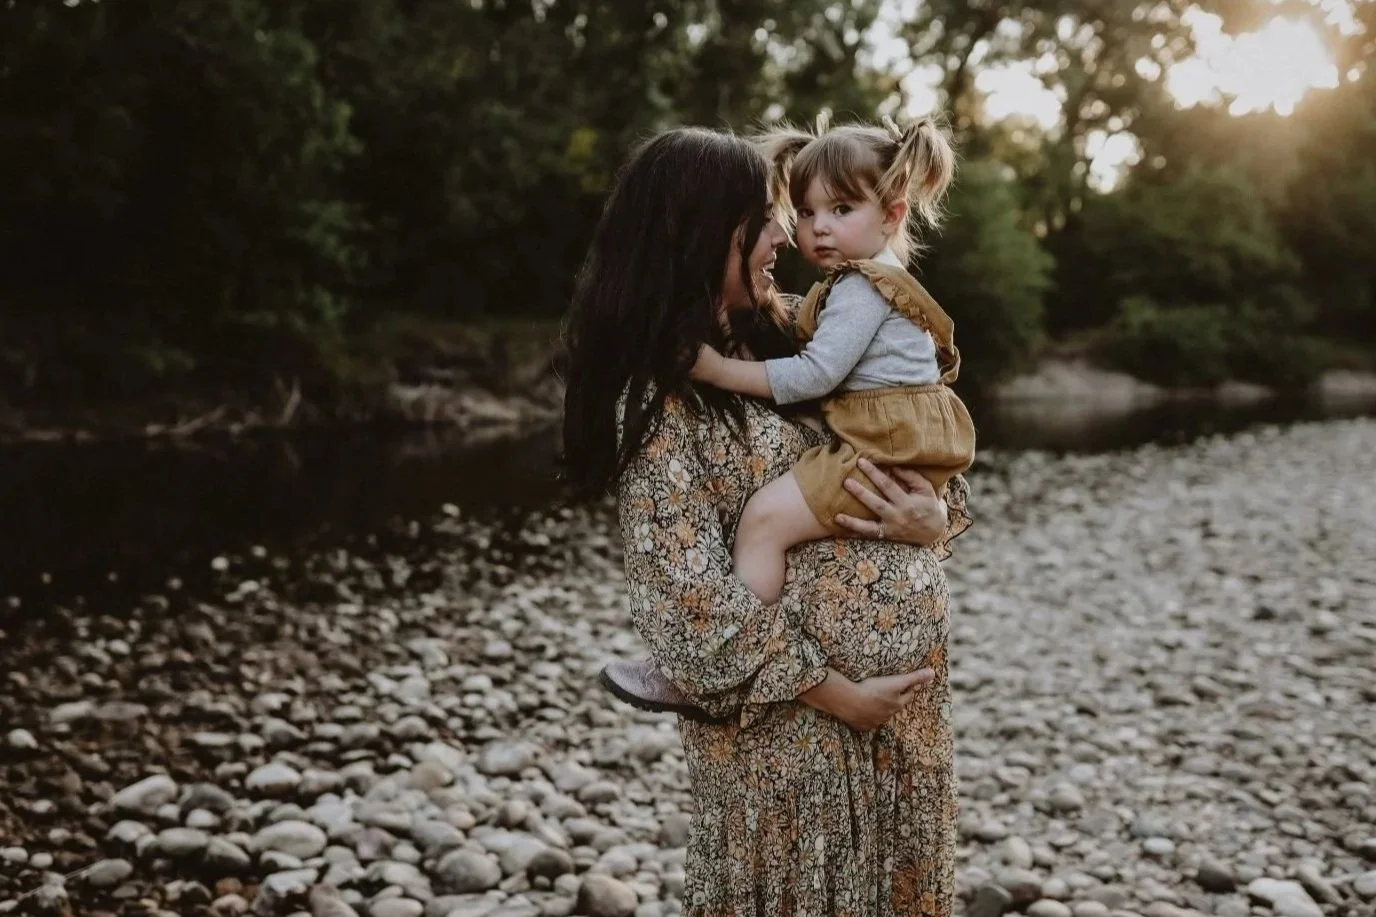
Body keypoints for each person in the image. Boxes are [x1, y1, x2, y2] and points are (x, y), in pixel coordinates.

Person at [563, 126, 971, 915]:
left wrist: (932, 520)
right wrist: (840, 694)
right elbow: (690, 605)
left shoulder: (797, 338)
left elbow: (900, 445)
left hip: (900, 741)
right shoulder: (660, 405)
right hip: (793, 758)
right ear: (702, 233)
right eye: (767, 214)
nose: (789, 231)